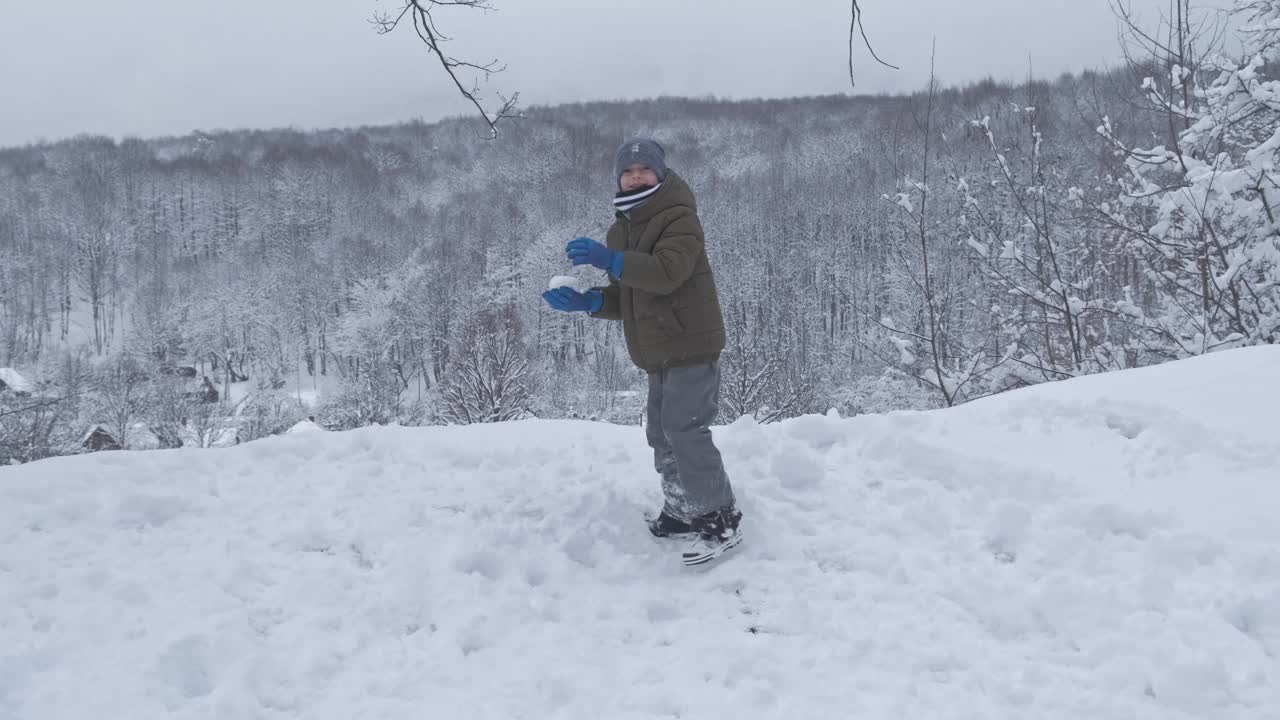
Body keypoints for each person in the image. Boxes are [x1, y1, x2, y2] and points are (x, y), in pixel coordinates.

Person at [542, 138, 742, 562]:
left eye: (644, 170)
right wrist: (592, 302)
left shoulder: (679, 218)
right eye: (627, 172)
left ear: (660, 174)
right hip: (657, 348)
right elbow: (631, 294)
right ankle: (683, 507)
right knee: (662, 433)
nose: (635, 177)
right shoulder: (623, 229)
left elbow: (667, 273)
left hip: (690, 342)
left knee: (686, 430)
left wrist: (610, 259)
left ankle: (718, 519)